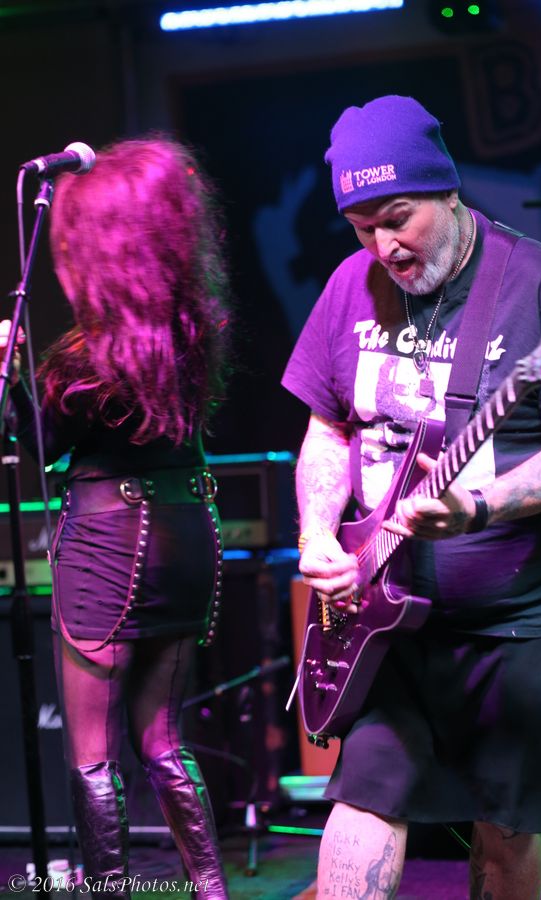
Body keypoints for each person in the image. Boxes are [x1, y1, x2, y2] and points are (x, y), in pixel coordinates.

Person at [282, 96, 541, 899]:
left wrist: (480, 508)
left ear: (448, 192)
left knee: (506, 824)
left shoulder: (538, 285)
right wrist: (318, 534)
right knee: (364, 794)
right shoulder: (350, 286)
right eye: (363, 228)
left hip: (519, 615)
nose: (383, 246)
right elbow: (327, 427)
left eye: (399, 219)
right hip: (384, 606)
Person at [7, 137, 231, 898]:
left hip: (108, 541)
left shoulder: (85, 362)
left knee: (94, 755)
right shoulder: (191, 332)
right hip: (187, 531)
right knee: (163, 739)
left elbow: (41, 445)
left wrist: (14, 382)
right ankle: (210, 890)